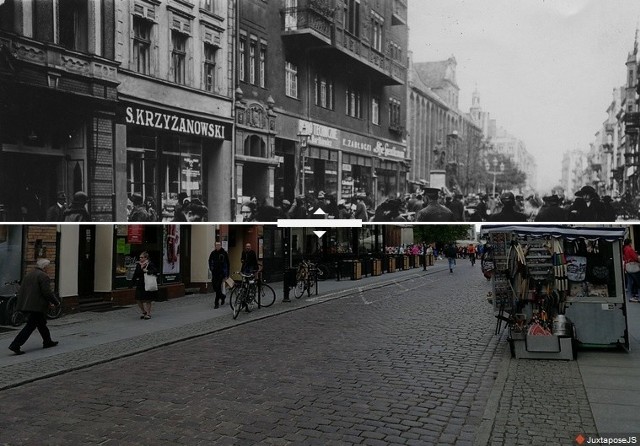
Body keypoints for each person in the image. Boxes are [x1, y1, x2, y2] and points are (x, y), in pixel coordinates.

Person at [9, 259, 60, 355]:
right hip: (37, 305)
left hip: (28, 304)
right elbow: (47, 292)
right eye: (48, 267)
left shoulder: (29, 275)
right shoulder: (43, 276)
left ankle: (47, 341)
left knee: (41, 324)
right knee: (30, 326)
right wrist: (55, 302)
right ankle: (15, 345)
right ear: (45, 267)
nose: (49, 269)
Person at [130, 251, 158, 319]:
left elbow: (155, 271)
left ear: (146, 258)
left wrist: (147, 271)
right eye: (140, 257)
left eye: (142, 257)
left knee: (148, 299)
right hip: (140, 283)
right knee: (138, 299)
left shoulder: (150, 264)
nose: (140, 258)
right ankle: (143, 311)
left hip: (147, 283)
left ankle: (148, 314)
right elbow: (136, 274)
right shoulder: (139, 265)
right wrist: (131, 283)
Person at [208, 241, 230, 309]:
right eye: (216, 245)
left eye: (218, 245)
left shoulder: (224, 253)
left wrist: (226, 274)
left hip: (221, 273)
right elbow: (210, 261)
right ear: (215, 246)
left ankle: (216, 303)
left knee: (218, 287)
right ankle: (223, 296)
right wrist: (211, 268)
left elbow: (227, 264)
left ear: (221, 245)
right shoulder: (213, 253)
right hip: (214, 273)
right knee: (215, 287)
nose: (217, 246)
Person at [623, 239, 640, 303]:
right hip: (633, 267)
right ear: (629, 243)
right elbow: (635, 257)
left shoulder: (624, 249)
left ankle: (630, 297)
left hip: (627, 267)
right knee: (638, 282)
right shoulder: (630, 249)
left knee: (629, 282)